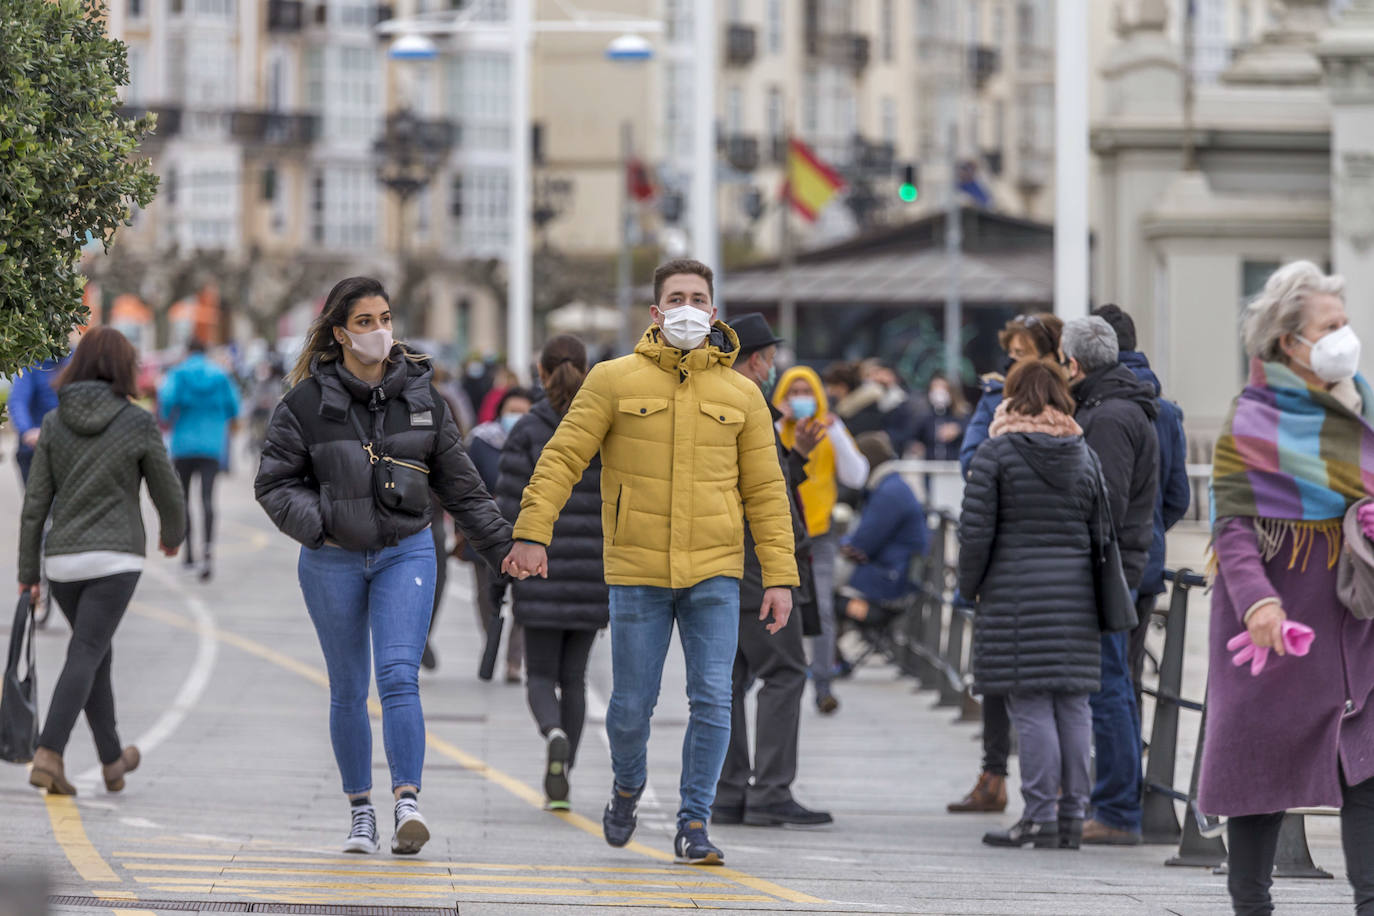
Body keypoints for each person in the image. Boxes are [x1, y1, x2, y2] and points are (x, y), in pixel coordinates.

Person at [502, 259, 798, 866]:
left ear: (713, 312)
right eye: (676, 297)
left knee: (714, 698)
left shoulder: (742, 394)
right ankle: (626, 787)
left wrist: (780, 577)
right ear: (657, 312)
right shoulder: (613, 380)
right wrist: (533, 532)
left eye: (698, 297)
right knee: (632, 705)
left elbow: (768, 491)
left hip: (715, 570)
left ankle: (694, 820)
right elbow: (562, 457)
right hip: (636, 571)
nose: (688, 307)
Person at [254, 277, 513, 857]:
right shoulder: (303, 404)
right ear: (340, 333)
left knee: (398, 674)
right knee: (348, 688)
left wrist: (504, 550)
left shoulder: (424, 399)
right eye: (365, 321)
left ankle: (407, 803)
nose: (379, 331)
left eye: (385, 318)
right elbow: (273, 484)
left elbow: (465, 489)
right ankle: (361, 811)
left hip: (407, 549)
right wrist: (322, 522)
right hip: (331, 559)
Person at [1198, 261, 1374, 916]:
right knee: (1257, 777)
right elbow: (1234, 527)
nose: (1344, 339)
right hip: (1277, 623)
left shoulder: (1363, 407)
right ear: (1288, 343)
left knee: (1367, 771)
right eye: (1330, 327)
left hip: (1353, 617)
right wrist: (1259, 602)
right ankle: (1252, 906)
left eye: (1345, 324)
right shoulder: (1250, 421)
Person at [18, 327, 186, 795]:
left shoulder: (53, 422)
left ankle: (112, 760)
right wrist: (174, 536)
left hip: (64, 561)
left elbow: (35, 505)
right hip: (115, 558)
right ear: (123, 368)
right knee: (88, 650)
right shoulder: (136, 421)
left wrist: (28, 576)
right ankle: (49, 752)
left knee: (94, 649)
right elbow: (167, 488)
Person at [957, 358, 1101, 850]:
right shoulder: (1084, 454)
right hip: (1077, 597)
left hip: (1014, 595)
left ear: (1012, 396)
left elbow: (974, 532)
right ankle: (1073, 815)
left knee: (1032, 702)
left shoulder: (996, 454)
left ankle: (1038, 815)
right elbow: (1102, 532)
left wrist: (968, 586)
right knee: (1075, 703)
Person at [713, 313, 832, 829]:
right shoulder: (753, 405)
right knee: (785, 672)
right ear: (758, 359)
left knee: (732, 678)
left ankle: (730, 789)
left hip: (722, 563)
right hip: (760, 565)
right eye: (769, 358)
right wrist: (791, 564)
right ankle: (771, 790)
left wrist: (797, 459)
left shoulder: (714, 401)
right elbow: (768, 497)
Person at [948, 311, 1062, 815]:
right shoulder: (995, 397)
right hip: (1002, 545)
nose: (1015, 361)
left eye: (1025, 352)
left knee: (1055, 680)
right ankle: (993, 775)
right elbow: (971, 458)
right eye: (1011, 352)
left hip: (1049, 552)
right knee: (992, 672)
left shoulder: (1071, 400)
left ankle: (1057, 788)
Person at [494, 335, 608, 810]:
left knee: (540, 674)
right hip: (595, 573)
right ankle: (564, 773)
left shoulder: (526, 428)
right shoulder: (606, 424)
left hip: (537, 568)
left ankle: (552, 732)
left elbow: (505, 503)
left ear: (540, 374)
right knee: (575, 678)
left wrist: (498, 571)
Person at [1061, 315, 1159, 846]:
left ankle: (1118, 808)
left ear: (1073, 363)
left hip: (1109, 567)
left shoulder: (1108, 416)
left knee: (1109, 685)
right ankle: (1115, 802)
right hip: (1120, 561)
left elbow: (1105, 502)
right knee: (1112, 682)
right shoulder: (1118, 407)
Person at [1090, 304, 1191, 709]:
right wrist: (1146, 528)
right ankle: (1132, 759)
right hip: (1145, 559)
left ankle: (1116, 766)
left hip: (1105, 560)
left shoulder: (1098, 405)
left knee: (1103, 674)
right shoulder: (1164, 410)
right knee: (1128, 668)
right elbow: (1178, 496)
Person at [773, 366, 869, 715]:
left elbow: (857, 476)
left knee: (823, 611)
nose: (800, 399)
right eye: (793, 391)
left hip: (821, 534)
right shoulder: (774, 429)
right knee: (778, 611)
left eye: (806, 391)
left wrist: (837, 430)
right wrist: (774, 419)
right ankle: (777, 681)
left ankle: (823, 685)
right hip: (780, 533)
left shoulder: (830, 430)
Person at [464, 387, 534, 682]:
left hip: (526, 531)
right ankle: (490, 641)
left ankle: (513, 660)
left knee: (524, 597)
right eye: (511, 411)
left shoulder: (542, 440)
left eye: (522, 412)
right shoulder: (481, 442)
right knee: (485, 596)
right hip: (484, 530)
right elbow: (464, 484)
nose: (515, 418)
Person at [159, 338, 241, 582]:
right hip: (211, 445)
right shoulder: (220, 374)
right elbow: (235, 408)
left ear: (187, 351)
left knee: (183, 498)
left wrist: (170, 417)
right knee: (207, 498)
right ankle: (207, 550)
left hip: (183, 444)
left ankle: (188, 554)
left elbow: (166, 402)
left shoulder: (178, 373)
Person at [837, 432, 928, 626]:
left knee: (820, 588)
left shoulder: (888, 493)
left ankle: (830, 653)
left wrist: (838, 544)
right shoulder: (892, 486)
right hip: (891, 576)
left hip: (886, 585)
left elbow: (860, 546)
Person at [9, 350, 71, 486]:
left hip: (68, 443)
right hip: (36, 442)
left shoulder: (76, 358)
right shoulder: (33, 362)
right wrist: (26, 430)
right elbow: (18, 401)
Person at [914, 372, 970, 462]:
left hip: (953, 468)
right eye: (935, 388)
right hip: (931, 468)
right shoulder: (925, 416)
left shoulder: (961, 415)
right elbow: (914, 437)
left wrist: (958, 430)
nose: (939, 392)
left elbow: (972, 431)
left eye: (943, 388)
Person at [822, 362, 886, 437]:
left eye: (831, 387)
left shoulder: (866, 410)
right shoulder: (840, 408)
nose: (828, 392)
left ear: (842, 387)